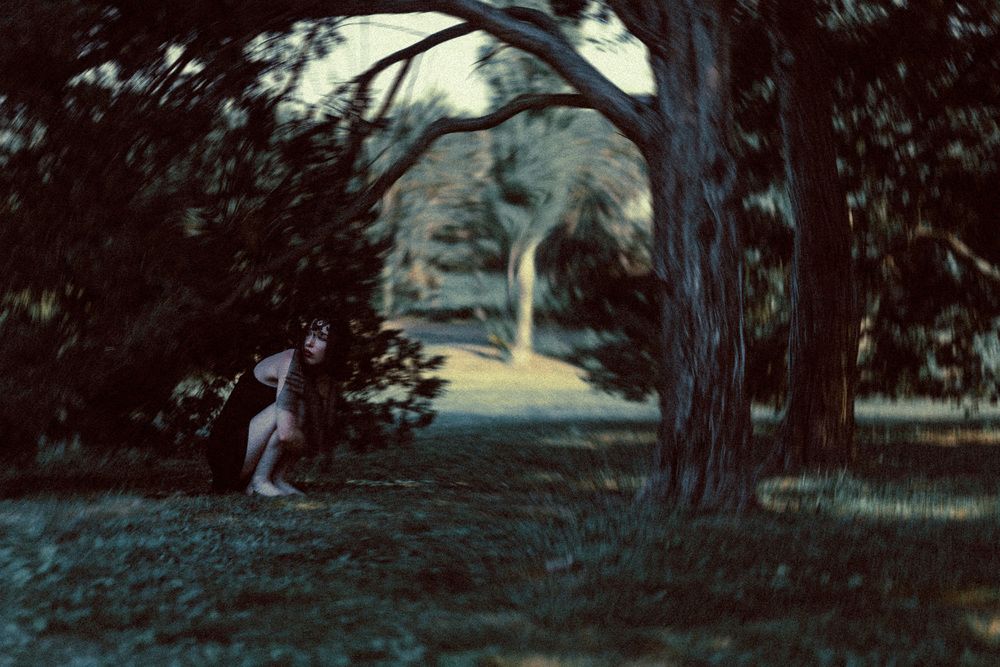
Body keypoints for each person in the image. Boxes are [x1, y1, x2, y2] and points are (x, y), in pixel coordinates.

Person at [206, 318, 347, 496]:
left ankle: (276, 479)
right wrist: (309, 445)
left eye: (321, 338)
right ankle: (259, 481)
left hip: (249, 451)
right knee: (295, 410)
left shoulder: (321, 377)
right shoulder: (290, 361)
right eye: (309, 334)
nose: (309, 342)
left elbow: (323, 431)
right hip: (227, 455)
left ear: (335, 346)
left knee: (303, 408)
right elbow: (286, 434)